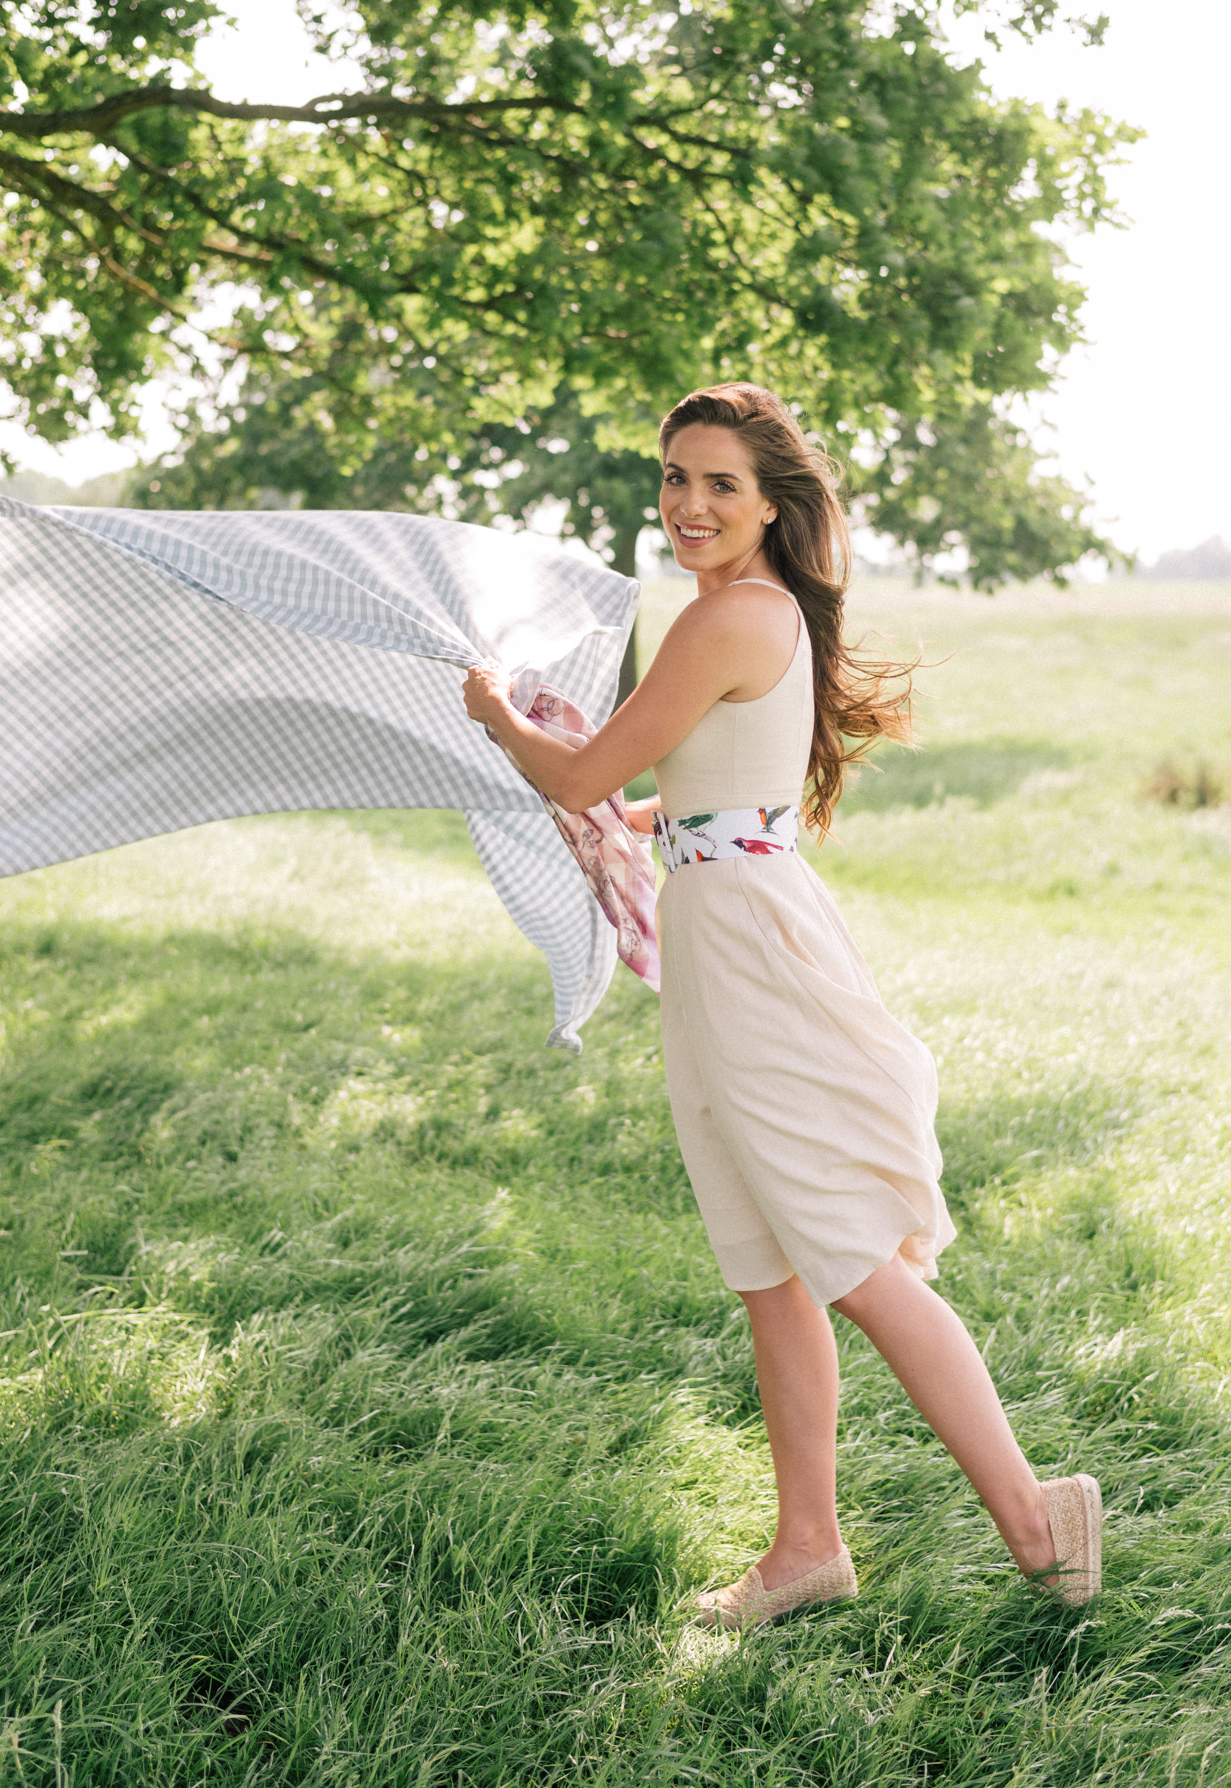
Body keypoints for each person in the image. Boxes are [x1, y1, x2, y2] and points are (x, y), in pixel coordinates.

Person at [463, 383, 1101, 1626]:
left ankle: (1036, 1516)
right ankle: (806, 1547)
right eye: (673, 478)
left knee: (849, 1258)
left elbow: (592, 768)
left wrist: (499, 716)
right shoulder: (732, 615)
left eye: (719, 485)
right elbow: (706, 798)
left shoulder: (732, 617)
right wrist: (619, 813)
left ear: (769, 506)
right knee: (768, 1267)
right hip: (726, 928)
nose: (689, 505)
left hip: (751, 947)